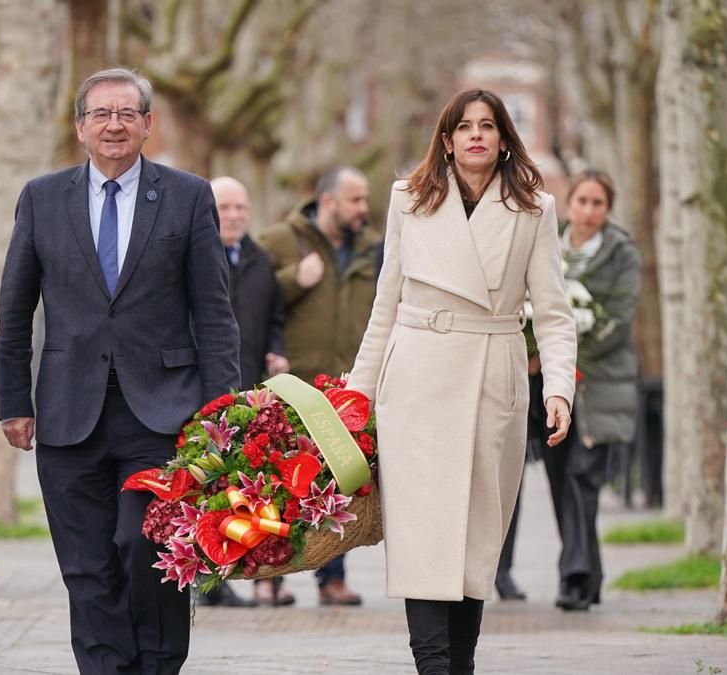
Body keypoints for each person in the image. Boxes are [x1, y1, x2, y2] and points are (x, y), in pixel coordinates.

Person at [0, 68, 240, 674]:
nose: (114, 125)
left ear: (147, 125)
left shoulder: (187, 196)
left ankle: (157, 664)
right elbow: (14, 307)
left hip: (162, 412)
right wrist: (12, 400)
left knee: (147, 544)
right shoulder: (41, 198)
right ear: (80, 127)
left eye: (127, 114)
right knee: (86, 566)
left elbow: (214, 313)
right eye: (101, 114)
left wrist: (223, 412)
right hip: (67, 410)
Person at [346, 89, 577, 674]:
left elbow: (552, 312)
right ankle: (433, 666)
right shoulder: (408, 199)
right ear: (446, 140)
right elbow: (386, 300)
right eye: (464, 127)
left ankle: (461, 666)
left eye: (489, 126)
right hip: (417, 379)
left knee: (475, 540)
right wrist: (359, 397)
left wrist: (558, 390)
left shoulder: (535, 210)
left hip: (492, 378)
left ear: (503, 140)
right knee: (423, 536)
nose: (476, 135)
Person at [256, 165, 381, 607]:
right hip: (295, 387)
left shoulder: (373, 249)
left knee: (343, 482)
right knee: (282, 481)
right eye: (355, 200)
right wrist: (293, 280)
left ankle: (333, 578)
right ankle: (268, 576)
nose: (363, 209)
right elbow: (249, 300)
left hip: (350, 385)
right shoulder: (277, 242)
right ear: (328, 201)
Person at [545, 169, 641, 611]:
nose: (587, 211)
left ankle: (574, 577)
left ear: (607, 208)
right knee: (561, 479)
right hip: (549, 388)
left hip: (601, 385)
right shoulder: (548, 243)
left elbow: (621, 318)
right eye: (581, 201)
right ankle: (588, 574)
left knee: (584, 477)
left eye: (597, 203)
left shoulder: (621, 251)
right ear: (568, 204)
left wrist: (573, 352)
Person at [198, 176, 290, 608]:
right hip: (202, 390)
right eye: (224, 208)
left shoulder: (261, 260)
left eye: (240, 208)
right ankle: (207, 578)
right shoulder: (195, 256)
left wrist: (277, 352)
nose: (233, 216)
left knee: (248, 487)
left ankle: (254, 575)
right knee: (206, 485)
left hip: (249, 392)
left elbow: (274, 317)